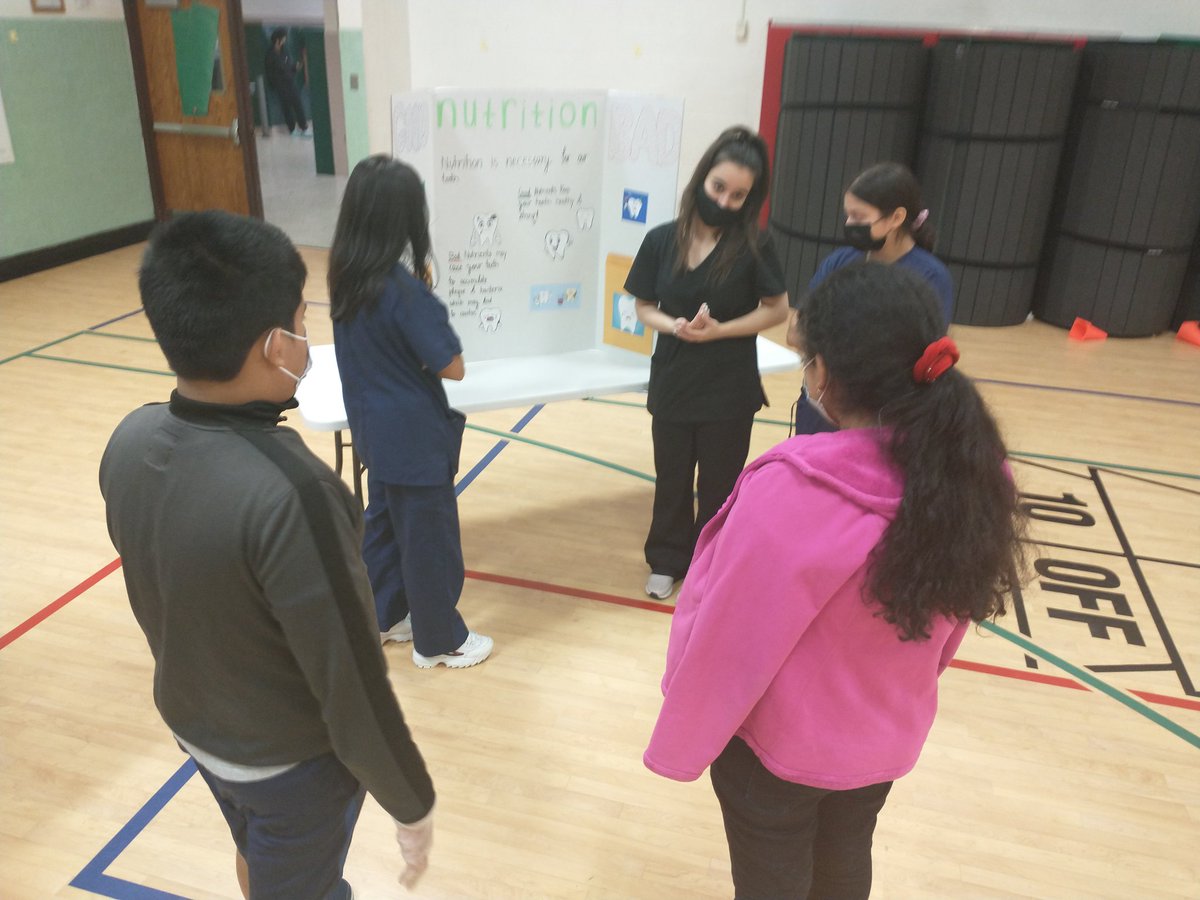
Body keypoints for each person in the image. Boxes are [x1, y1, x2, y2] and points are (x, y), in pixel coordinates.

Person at [644, 263, 1026, 899]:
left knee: (774, 877)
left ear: (822, 373)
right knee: (846, 855)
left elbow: (727, 639)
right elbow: (949, 630)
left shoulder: (793, 489)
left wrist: (685, 732)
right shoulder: (979, 473)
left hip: (774, 753)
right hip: (881, 737)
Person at [99, 211, 435, 899]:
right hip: (291, 769)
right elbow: (352, 684)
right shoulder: (296, 495)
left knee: (254, 849)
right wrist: (411, 799)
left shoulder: (128, 440)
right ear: (273, 347)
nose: (309, 337)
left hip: (197, 729)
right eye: (302, 320)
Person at [329, 155, 493, 669]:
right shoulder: (403, 292)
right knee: (430, 540)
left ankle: (386, 615)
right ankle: (439, 640)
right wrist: (425, 296)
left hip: (374, 434)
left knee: (383, 526)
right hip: (416, 440)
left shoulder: (346, 277)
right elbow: (453, 366)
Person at [624, 125, 789, 601]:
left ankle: (709, 561)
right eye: (719, 188)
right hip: (674, 381)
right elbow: (642, 305)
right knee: (672, 477)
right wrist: (672, 324)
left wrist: (721, 329)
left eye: (739, 195)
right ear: (702, 178)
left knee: (719, 483)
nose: (726, 200)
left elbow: (777, 309)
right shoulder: (661, 240)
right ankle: (666, 558)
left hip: (729, 387)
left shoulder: (756, 245)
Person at [791, 162, 954, 436]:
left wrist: (831, 348)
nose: (848, 225)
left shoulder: (930, 277)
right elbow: (796, 331)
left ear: (896, 217)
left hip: (880, 417)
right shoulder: (840, 261)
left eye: (859, 217)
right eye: (847, 215)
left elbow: (916, 358)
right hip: (820, 407)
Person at [264, 27, 309, 136]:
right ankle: (292, 129)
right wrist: (275, 84)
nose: (285, 40)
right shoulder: (270, 55)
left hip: (290, 82)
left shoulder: (285, 51)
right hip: (281, 85)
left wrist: (295, 67)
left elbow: (288, 65)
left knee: (298, 104)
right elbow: (271, 72)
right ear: (277, 39)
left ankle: (304, 128)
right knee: (287, 108)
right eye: (283, 38)